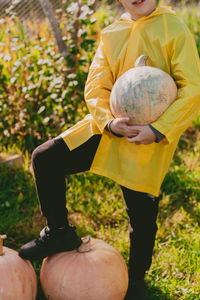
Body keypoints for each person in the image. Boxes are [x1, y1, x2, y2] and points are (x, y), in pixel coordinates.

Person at [18, 0, 200, 299]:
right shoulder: (112, 33)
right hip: (107, 129)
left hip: (146, 139)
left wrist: (158, 129)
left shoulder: (173, 28)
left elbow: (191, 87)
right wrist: (108, 122)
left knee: (141, 217)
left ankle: (137, 280)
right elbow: (95, 86)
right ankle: (59, 232)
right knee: (45, 158)